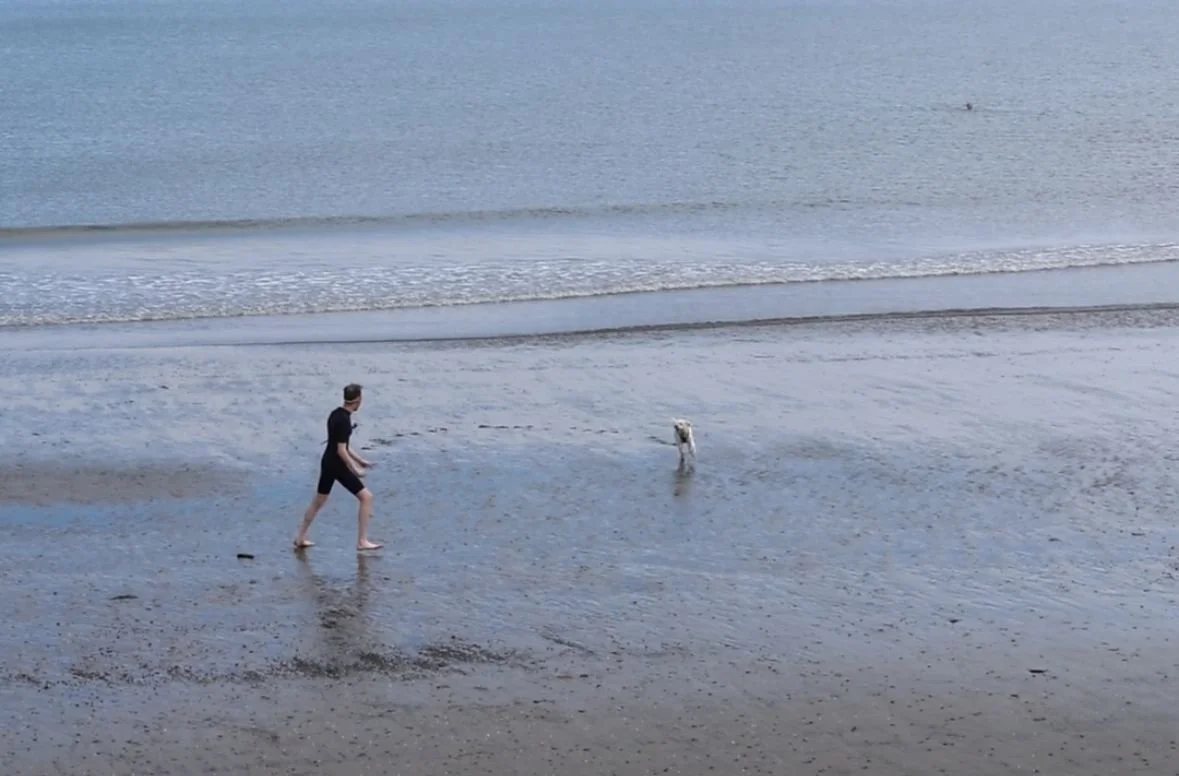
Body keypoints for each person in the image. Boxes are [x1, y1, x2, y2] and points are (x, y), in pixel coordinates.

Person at [294, 383, 383, 551]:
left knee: (318, 501)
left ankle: (300, 537)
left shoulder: (335, 414)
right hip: (337, 465)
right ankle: (362, 541)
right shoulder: (344, 421)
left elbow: (342, 445)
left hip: (327, 461)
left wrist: (361, 460)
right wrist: (355, 469)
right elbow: (341, 450)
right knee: (366, 498)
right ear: (358, 400)